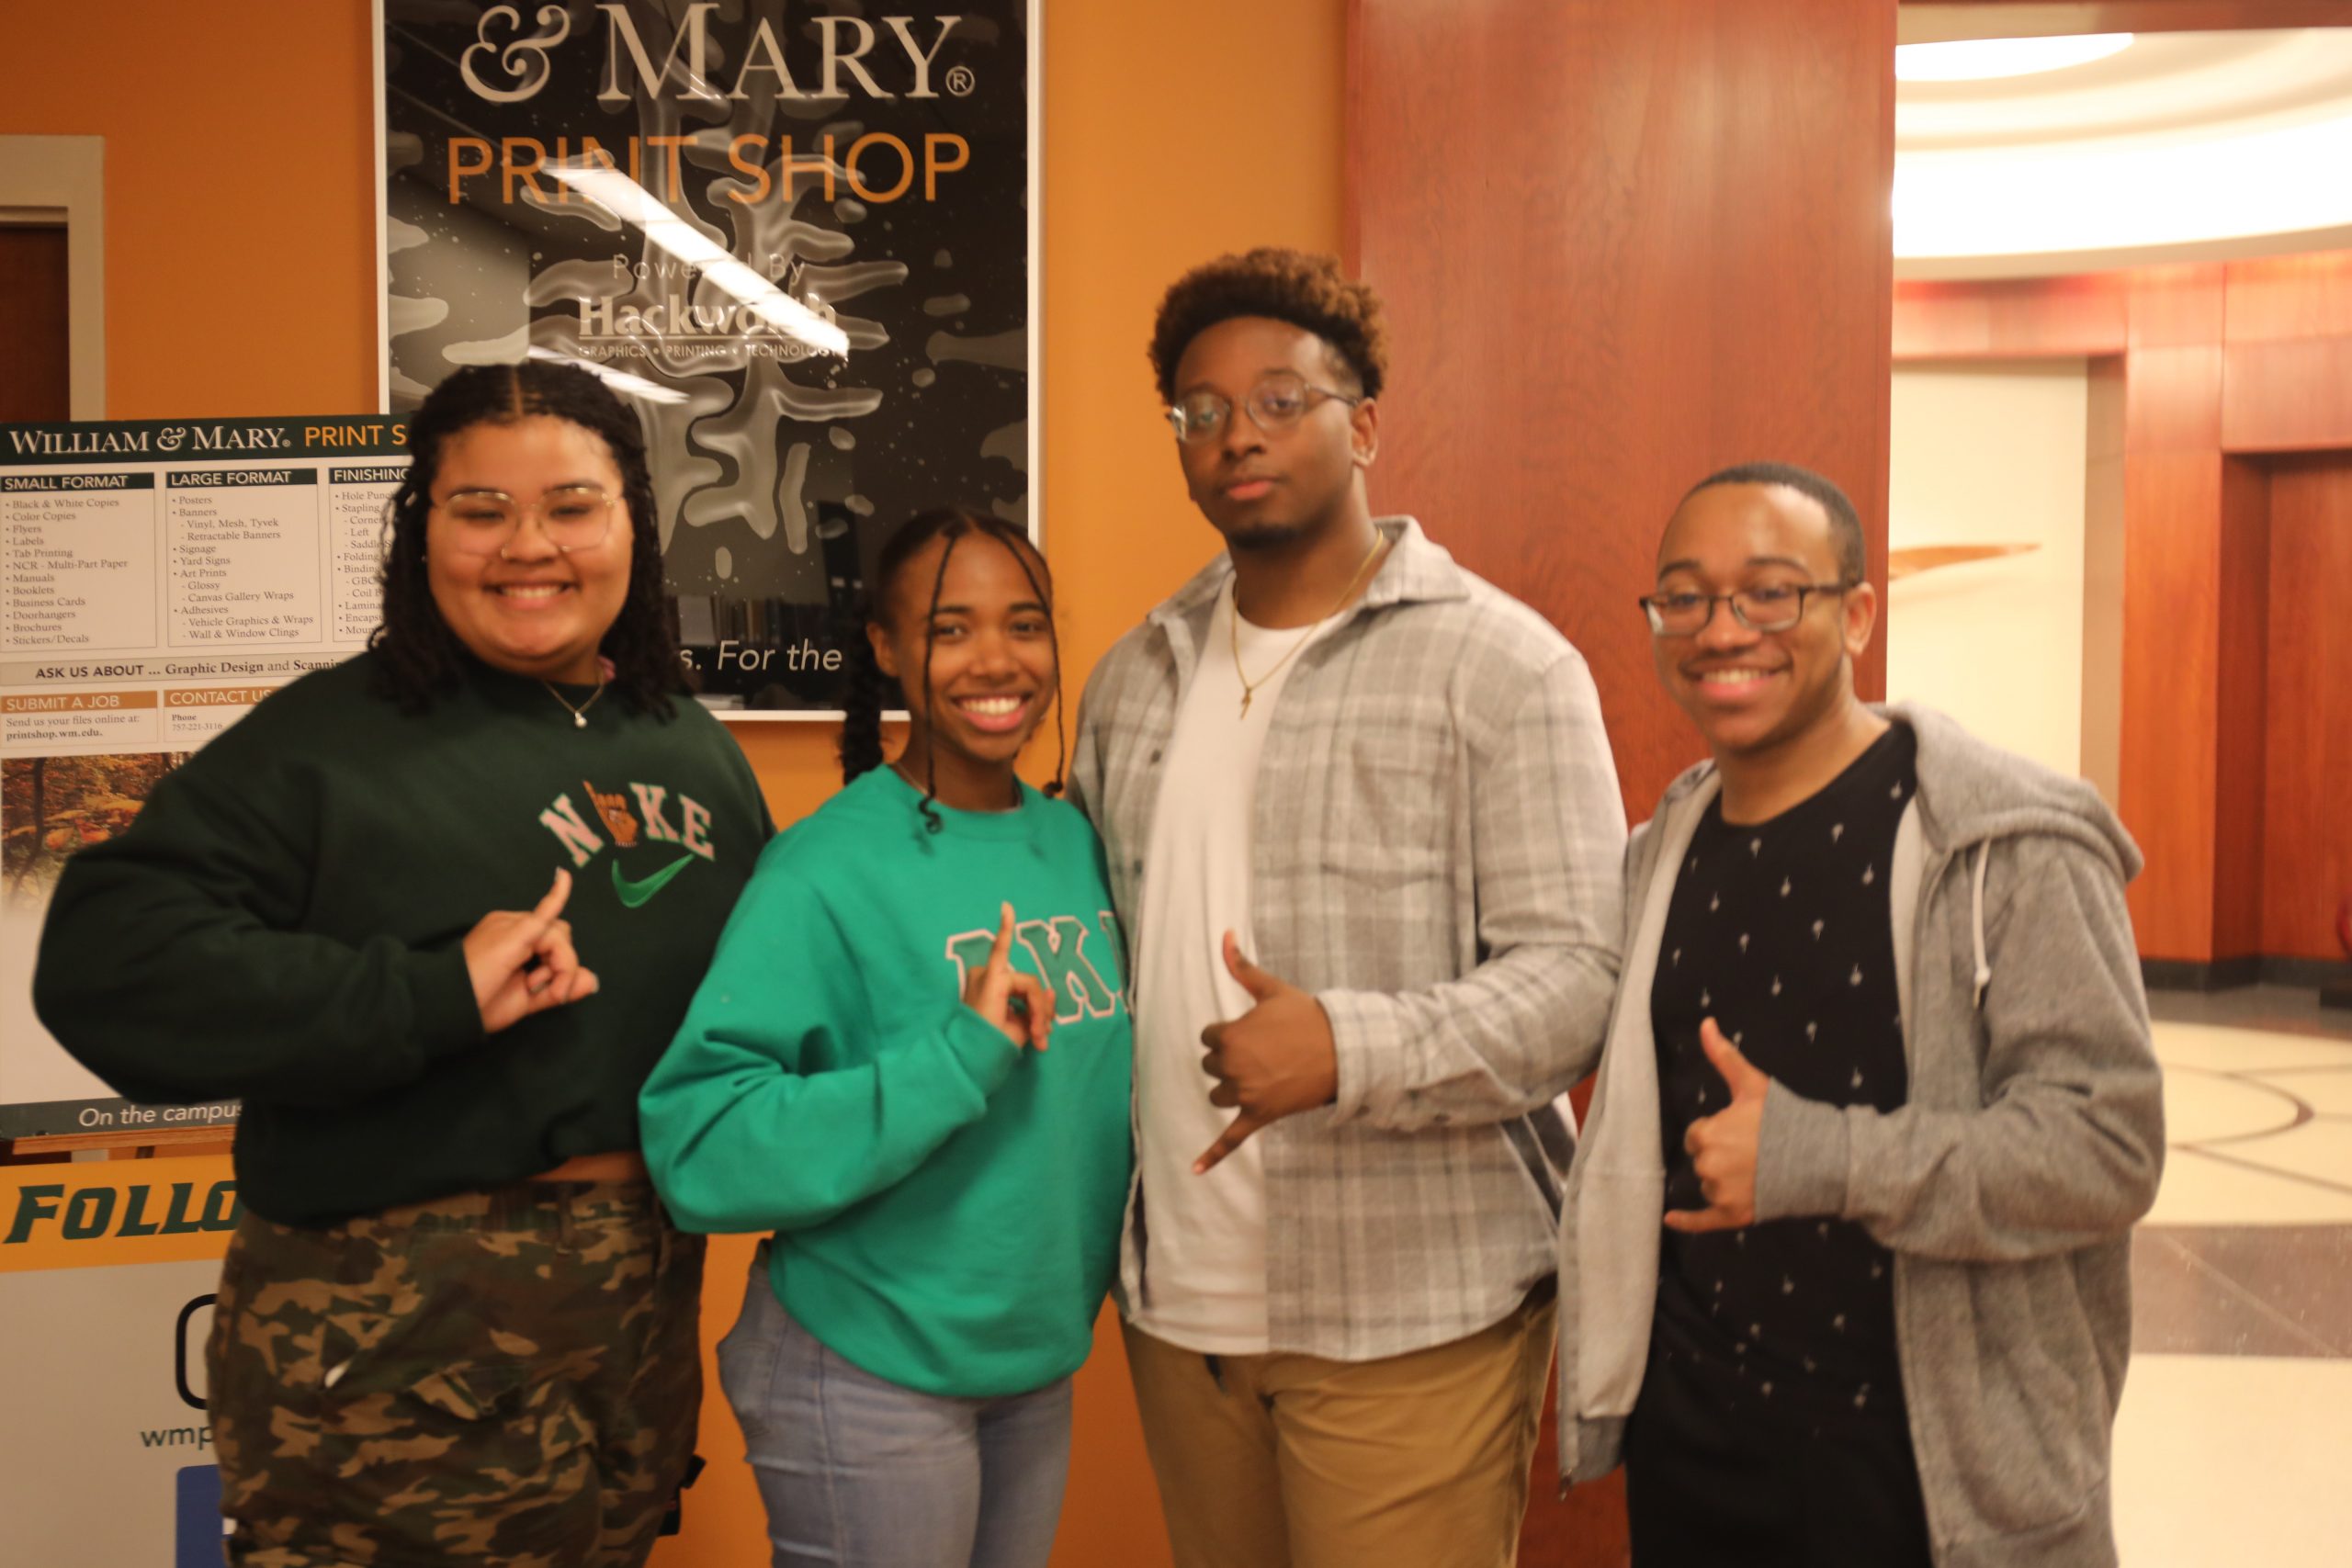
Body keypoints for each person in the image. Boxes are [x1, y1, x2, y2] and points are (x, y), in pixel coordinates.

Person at [30, 360, 774, 1566]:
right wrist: (429, 992)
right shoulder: (332, 739)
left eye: (572, 505)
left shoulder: (688, 744)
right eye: (481, 508)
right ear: (420, 532)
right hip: (394, 1341)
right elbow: (107, 959)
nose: (528, 544)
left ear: (634, 520)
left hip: (636, 1321)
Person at [1066, 247, 1626, 1568]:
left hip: (1411, 1311)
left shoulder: (1502, 663)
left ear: (1364, 421)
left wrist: (1350, 1048)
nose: (1234, 436)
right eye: (1199, 412)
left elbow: (1585, 976)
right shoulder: (1131, 679)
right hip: (1179, 1310)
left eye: (1277, 399)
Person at [1556, 462, 2165, 1567]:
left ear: (1857, 615)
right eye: (1684, 597)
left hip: (1931, 1469)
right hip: (1695, 1443)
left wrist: (1819, 1156)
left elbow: (2105, 1148)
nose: (1721, 628)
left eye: (1770, 592)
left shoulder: (2007, 843)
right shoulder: (1659, 853)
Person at [639, 508, 1132, 1568]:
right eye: (951, 629)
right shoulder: (825, 868)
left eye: (1025, 625)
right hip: (863, 1363)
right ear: (886, 648)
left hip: (1029, 1360)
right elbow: (700, 1145)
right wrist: (955, 1057)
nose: (996, 662)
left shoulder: (1077, 844)